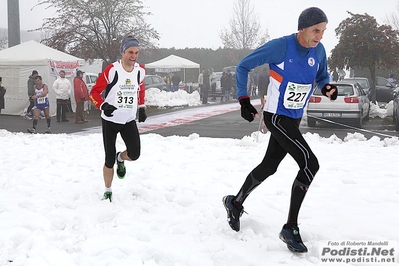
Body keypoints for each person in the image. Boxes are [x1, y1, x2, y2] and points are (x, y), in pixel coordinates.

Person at [222, 7, 337, 253]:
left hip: (294, 118)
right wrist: (243, 100)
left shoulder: (319, 50)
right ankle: (290, 227)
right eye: (316, 30)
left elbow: (322, 75)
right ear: (302, 28)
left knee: (269, 166)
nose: (319, 36)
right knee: (310, 163)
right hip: (276, 117)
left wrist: (327, 87)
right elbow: (243, 66)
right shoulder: (281, 46)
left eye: (323, 31)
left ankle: (235, 202)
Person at [90, 35, 147, 202]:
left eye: (136, 53)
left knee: (135, 154)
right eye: (130, 52)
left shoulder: (140, 71)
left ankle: (120, 158)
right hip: (110, 120)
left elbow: (140, 88)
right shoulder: (112, 70)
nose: (133, 56)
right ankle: (108, 190)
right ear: (123, 52)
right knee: (108, 158)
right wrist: (102, 105)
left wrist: (141, 107)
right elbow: (94, 92)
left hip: (128, 119)